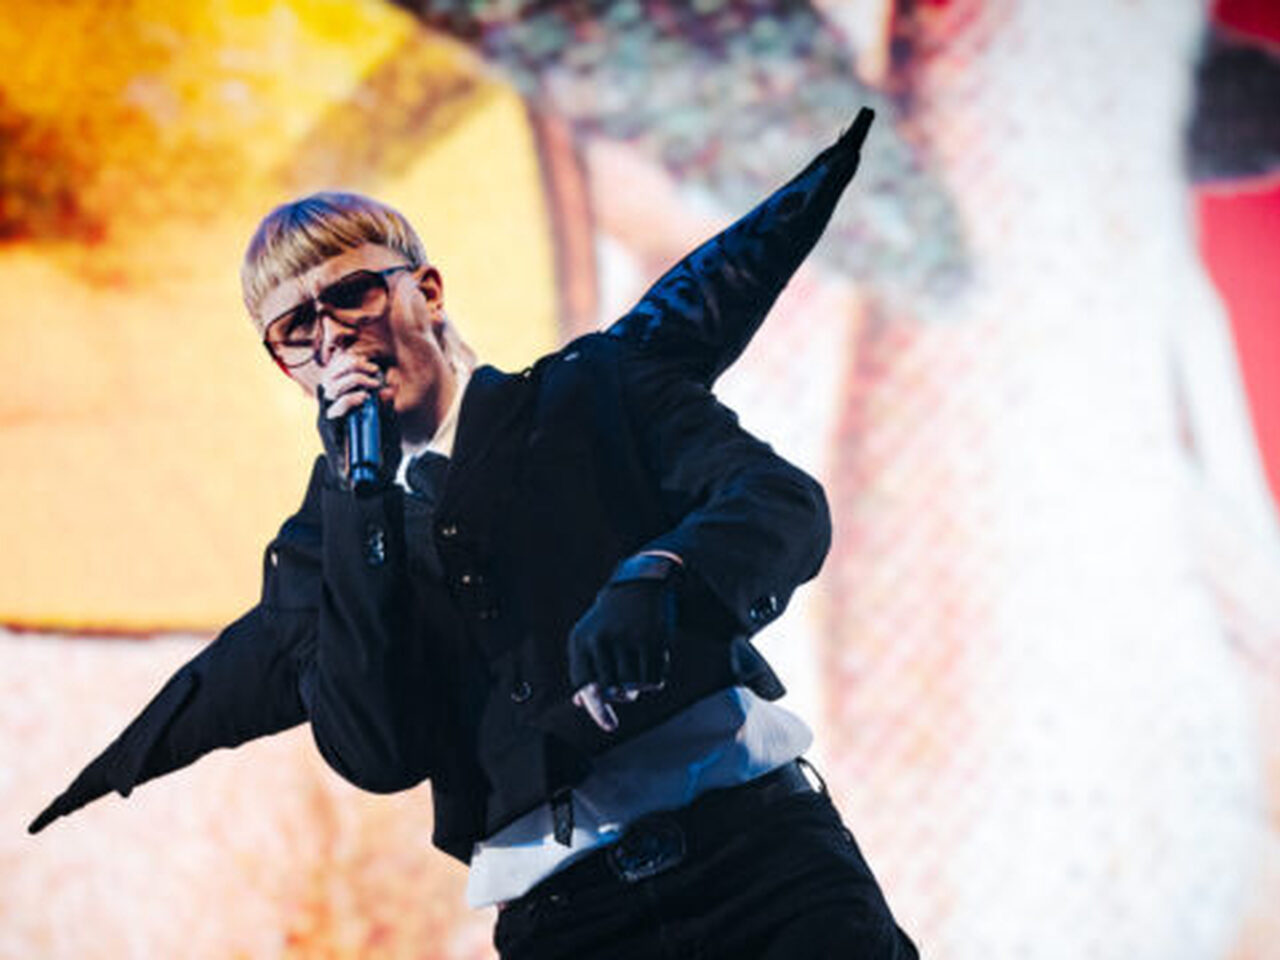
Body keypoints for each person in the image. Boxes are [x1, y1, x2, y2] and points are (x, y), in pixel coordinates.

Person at [30, 108, 917, 958]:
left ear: (426, 290)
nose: (333, 336)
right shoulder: (318, 558)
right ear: (285, 364)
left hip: (762, 866)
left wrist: (663, 574)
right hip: (570, 927)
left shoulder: (592, 391)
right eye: (297, 328)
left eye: (352, 294)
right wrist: (360, 506)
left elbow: (777, 503)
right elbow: (379, 752)